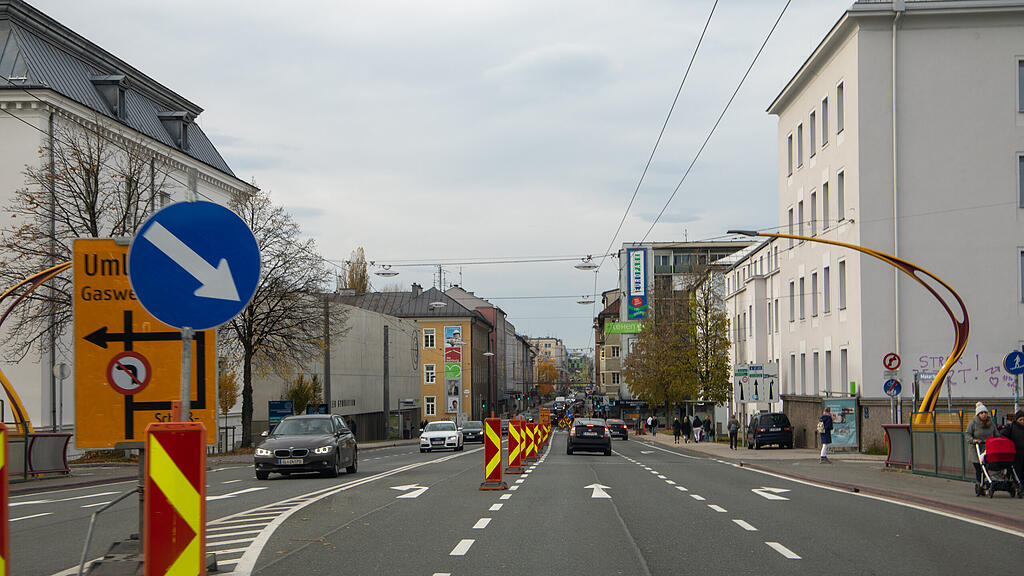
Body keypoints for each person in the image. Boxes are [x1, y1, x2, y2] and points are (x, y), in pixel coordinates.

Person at [966, 402, 997, 484]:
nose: (984, 415)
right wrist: (973, 440)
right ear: (978, 414)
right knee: (979, 468)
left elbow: (996, 434)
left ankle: (985, 482)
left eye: (985, 413)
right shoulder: (973, 423)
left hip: (987, 448)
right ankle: (980, 483)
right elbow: (967, 434)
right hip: (976, 449)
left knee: (986, 467)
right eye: (981, 413)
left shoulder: (991, 424)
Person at [999, 410, 1024, 484]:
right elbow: (1002, 435)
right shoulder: (1012, 427)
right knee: (1017, 470)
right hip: (1016, 453)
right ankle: (1018, 484)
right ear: (1016, 420)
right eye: (1020, 420)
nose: (1022, 421)